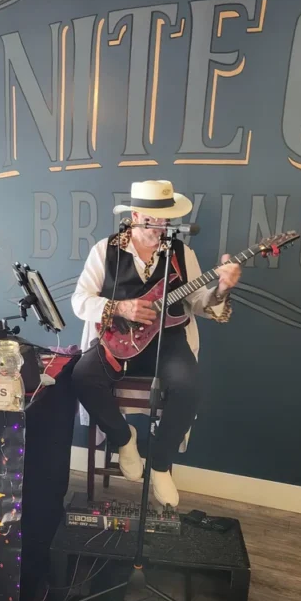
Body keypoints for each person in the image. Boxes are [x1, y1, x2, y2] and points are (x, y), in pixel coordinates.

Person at [71, 180, 242, 507]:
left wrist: (221, 289)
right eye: (151, 220)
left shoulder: (181, 252)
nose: (159, 228)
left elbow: (197, 303)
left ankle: (160, 463)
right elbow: (80, 301)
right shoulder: (105, 250)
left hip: (168, 341)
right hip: (119, 341)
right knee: (82, 377)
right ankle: (124, 438)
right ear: (134, 215)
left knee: (189, 386)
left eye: (164, 221)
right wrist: (122, 307)